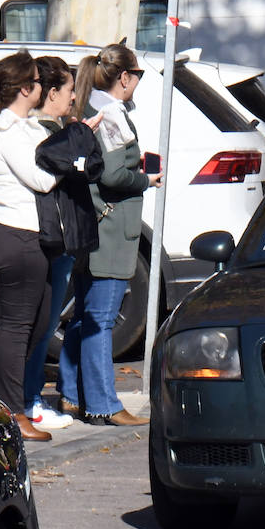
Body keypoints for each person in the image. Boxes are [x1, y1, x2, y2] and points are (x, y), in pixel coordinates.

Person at [59, 44, 155, 427]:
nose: (137, 83)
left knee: (84, 315)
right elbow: (114, 174)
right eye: (138, 76)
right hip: (112, 230)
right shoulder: (111, 114)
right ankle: (103, 404)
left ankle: (71, 394)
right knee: (100, 320)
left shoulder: (88, 106)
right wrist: (145, 179)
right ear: (125, 78)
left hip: (93, 225)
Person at [0, 51, 59, 440]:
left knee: (39, 321)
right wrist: (68, 161)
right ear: (25, 88)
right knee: (17, 326)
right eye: (38, 81)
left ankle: (3, 403)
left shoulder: (28, 127)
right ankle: (12, 413)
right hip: (12, 233)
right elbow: (41, 180)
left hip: (31, 234)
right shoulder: (7, 131)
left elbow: (48, 154)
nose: (44, 85)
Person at [24, 55, 101, 432]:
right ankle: (31, 399)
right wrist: (79, 135)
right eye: (69, 90)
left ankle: (32, 397)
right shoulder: (43, 135)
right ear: (52, 92)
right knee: (42, 325)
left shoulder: (50, 129)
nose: (73, 98)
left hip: (58, 241)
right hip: (51, 239)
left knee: (43, 322)